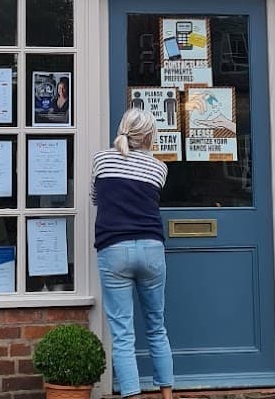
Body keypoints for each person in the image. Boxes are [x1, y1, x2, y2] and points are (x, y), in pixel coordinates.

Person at [92, 108, 173, 399]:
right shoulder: (159, 168)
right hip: (151, 248)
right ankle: (167, 396)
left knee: (123, 334)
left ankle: (132, 395)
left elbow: (95, 198)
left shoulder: (101, 159)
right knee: (156, 326)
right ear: (150, 135)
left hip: (114, 249)